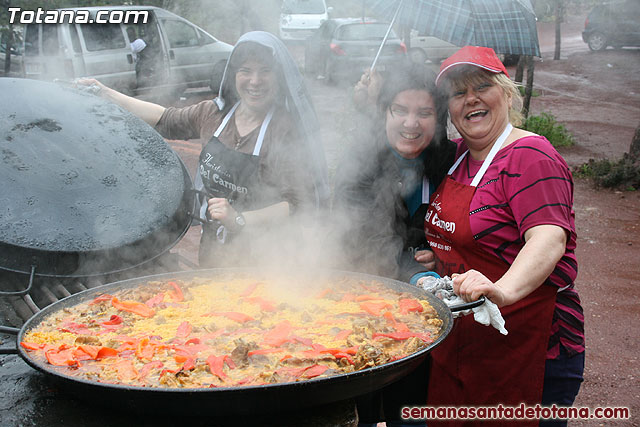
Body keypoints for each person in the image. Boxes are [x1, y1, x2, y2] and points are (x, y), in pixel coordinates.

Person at [422, 46, 585, 426]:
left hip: (530, 344)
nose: (471, 99)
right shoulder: (458, 156)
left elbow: (548, 239)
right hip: (465, 343)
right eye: (458, 93)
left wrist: (504, 290)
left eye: (482, 86)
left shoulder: (530, 157)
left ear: (507, 93)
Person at [79, 31, 329, 267]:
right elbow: (164, 118)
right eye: (246, 71)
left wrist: (239, 219)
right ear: (233, 74)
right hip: (214, 246)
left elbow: (298, 204)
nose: (255, 81)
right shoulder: (213, 114)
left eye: (265, 71)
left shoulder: (286, 131)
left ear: (279, 77)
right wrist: (105, 93)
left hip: (267, 257)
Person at [332, 63, 456, 426]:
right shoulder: (359, 164)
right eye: (399, 110)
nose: (410, 124)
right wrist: (418, 272)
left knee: (413, 405)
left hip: (424, 317)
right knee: (363, 403)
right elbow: (365, 238)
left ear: (439, 118)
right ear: (384, 112)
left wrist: (437, 249)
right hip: (362, 300)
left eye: (424, 113)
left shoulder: (449, 161)